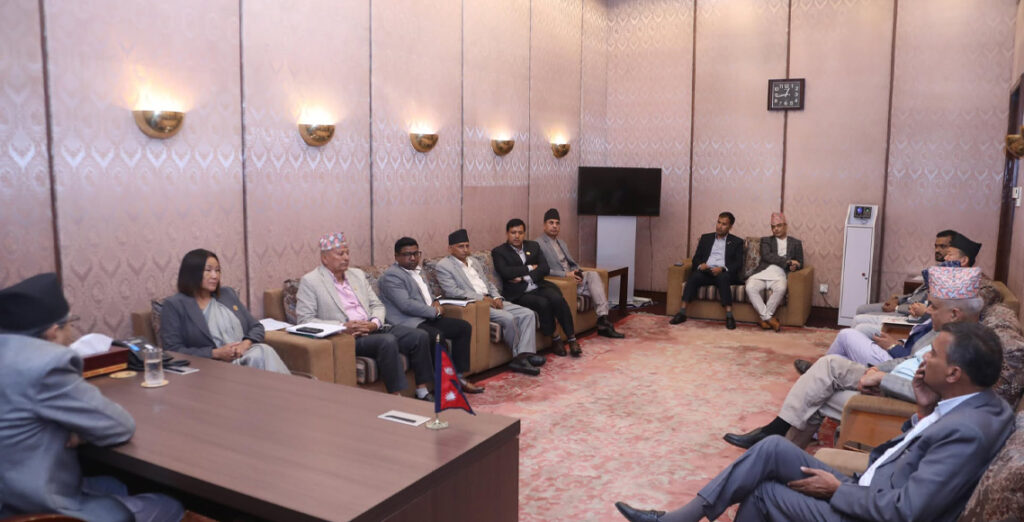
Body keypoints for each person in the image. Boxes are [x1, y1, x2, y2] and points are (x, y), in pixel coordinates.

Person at [614, 321, 1014, 522]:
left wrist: (836, 490)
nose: (923, 358)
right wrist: (924, 410)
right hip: (868, 487)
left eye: (934, 355)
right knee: (772, 450)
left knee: (763, 493)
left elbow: (908, 510)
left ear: (955, 373)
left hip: (869, 509)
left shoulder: (968, 431)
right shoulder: (978, 405)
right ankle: (679, 519)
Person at [724, 267, 984, 450]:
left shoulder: (963, 350)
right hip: (888, 378)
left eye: (934, 307)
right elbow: (909, 360)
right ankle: (776, 441)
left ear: (955, 313)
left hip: (897, 398)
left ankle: (776, 443)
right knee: (826, 367)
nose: (929, 312)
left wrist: (881, 379)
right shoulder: (945, 332)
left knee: (817, 391)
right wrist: (878, 369)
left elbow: (932, 396)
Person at [0, 273, 184, 521]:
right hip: (40, 506)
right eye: (70, 323)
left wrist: (66, 427)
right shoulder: (47, 365)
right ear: (54, 332)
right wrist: (76, 430)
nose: (71, 333)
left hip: (13, 489)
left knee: (115, 483)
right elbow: (120, 427)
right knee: (171, 504)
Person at [296, 232, 434, 400]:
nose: (346, 257)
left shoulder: (357, 275)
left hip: (373, 327)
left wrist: (375, 323)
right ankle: (396, 397)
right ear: (325, 258)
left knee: (419, 336)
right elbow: (305, 320)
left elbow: (377, 305)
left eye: (347, 253)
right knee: (387, 341)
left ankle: (422, 391)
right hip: (349, 336)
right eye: (340, 254)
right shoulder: (311, 281)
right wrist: (342, 326)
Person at [434, 228, 546, 376]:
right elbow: (453, 292)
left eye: (467, 246)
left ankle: (526, 354)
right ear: (450, 248)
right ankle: (520, 358)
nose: (465, 250)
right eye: (461, 246)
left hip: (491, 299)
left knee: (528, 314)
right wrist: (483, 299)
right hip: (477, 304)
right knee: (508, 318)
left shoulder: (473, 261)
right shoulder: (444, 266)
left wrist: (497, 297)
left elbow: (488, 283)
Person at [378, 237, 482, 393]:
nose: (413, 258)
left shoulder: (418, 271)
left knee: (463, 327)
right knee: (437, 336)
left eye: (416, 253)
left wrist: (436, 302)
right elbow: (406, 305)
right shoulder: (392, 276)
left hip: (425, 317)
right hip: (408, 321)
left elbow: (428, 295)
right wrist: (435, 311)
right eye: (407, 254)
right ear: (396, 256)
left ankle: (459, 376)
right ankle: (445, 383)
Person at [160, 249, 290, 374]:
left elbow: (256, 327)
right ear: (192, 273)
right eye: (208, 270)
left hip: (245, 356)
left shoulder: (227, 294)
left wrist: (244, 344)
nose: (215, 276)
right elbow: (173, 350)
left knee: (262, 351)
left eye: (217, 270)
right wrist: (216, 353)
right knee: (261, 354)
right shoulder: (174, 305)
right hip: (210, 366)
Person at [492, 218, 581, 357]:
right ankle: (556, 339)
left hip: (538, 285)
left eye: (520, 232)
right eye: (513, 232)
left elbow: (544, 268)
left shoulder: (533, 246)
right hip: (518, 293)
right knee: (543, 303)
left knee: (557, 299)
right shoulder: (499, 252)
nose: (517, 236)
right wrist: (530, 267)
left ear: (524, 234)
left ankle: (572, 339)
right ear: (507, 234)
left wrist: (523, 277)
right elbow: (506, 272)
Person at [535, 208, 624, 338]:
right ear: (544, 225)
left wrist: (578, 273)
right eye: (551, 223)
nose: (554, 226)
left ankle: (603, 318)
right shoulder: (538, 244)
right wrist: (566, 275)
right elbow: (543, 270)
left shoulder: (562, 243)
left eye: (557, 223)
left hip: (573, 279)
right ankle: (603, 324)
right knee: (596, 289)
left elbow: (572, 263)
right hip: (562, 283)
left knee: (593, 275)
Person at [851, 229, 958, 336]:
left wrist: (897, 308)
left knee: (860, 323)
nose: (937, 250)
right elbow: (915, 294)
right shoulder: (937, 270)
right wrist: (897, 299)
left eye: (942, 246)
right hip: (904, 304)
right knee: (861, 310)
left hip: (908, 314)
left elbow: (924, 307)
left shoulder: (951, 279)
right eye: (936, 246)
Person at [670, 212, 744, 329]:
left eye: (724, 224)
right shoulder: (706, 238)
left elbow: (738, 263)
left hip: (722, 272)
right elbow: (696, 258)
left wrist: (722, 268)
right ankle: (682, 312)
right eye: (718, 222)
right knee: (694, 276)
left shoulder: (737, 242)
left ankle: (729, 316)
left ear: (730, 227)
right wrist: (701, 265)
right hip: (706, 271)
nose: (719, 226)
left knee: (724, 278)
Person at [744, 212, 803, 332]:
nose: (776, 229)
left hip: (780, 274)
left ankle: (763, 319)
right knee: (750, 287)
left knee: (781, 288)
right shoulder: (766, 240)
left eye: (779, 226)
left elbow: (800, 262)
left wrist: (794, 267)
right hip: (764, 272)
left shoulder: (796, 243)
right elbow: (768, 256)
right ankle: (769, 318)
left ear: (785, 226)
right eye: (773, 227)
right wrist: (788, 262)